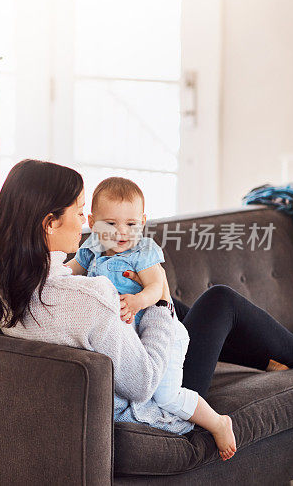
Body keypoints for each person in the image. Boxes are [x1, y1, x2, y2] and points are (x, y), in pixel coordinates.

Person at [0, 159, 293, 462]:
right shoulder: (86, 297)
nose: (86, 222)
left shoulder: (0, 280)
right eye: (80, 210)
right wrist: (160, 298)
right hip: (156, 400)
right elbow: (144, 382)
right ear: (49, 223)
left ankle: (272, 356)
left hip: (120, 364)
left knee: (188, 313)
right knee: (219, 301)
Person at [66, 176, 234, 459]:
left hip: (164, 334)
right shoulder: (91, 248)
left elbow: (157, 287)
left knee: (166, 396)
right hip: (137, 343)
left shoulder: (142, 251)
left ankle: (218, 422)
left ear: (142, 222)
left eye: (131, 224)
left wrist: (136, 300)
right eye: (110, 224)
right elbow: (69, 272)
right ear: (92, 221)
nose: (121, 232)